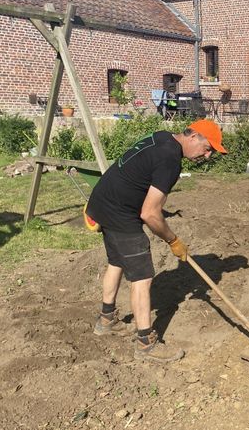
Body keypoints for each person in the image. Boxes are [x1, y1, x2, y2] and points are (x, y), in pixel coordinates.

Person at [84, 119, 226, 363]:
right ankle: (145, 343)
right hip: (120, 213)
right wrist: (173, 240)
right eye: (207, 148)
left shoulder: (163, 137)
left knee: (117, 261)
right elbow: (150, 213)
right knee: (142, 276)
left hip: (103, 202)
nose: (208, 155)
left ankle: (106, 319)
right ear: (193, 137)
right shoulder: (170, 161)